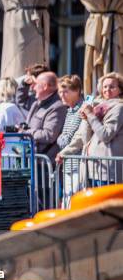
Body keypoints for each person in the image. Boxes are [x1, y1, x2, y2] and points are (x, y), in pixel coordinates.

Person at [80, 73, 123, 186]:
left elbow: (106, 135)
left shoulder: (119, 107)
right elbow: (85, 138)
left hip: (107, 170)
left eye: (112, 86)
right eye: (105, 86)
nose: (107, 89)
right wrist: (86, 118)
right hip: (93, 167)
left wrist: (91, 115)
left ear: (120, 90)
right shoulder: (99, 108)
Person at [20, 72, 67, 163]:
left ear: (45, 86)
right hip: (33, 159)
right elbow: (21, 100)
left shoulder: (57, 107)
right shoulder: (37, 103)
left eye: (36, 84)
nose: (33, 87)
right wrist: (24, 84)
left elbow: (49, 135)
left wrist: (26, 132)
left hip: (45, 163)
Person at [53, 75, 83, 205]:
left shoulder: (81, 110)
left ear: (76, 91)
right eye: (60, 91)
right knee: (67, 200)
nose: (62, 95)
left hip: (78, 163)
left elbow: (67, 139)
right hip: (68, 163)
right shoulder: (69, 110)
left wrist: (61, 137)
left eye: (66, 91)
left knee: (74, 200)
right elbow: (63, 137)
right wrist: (61, 137)